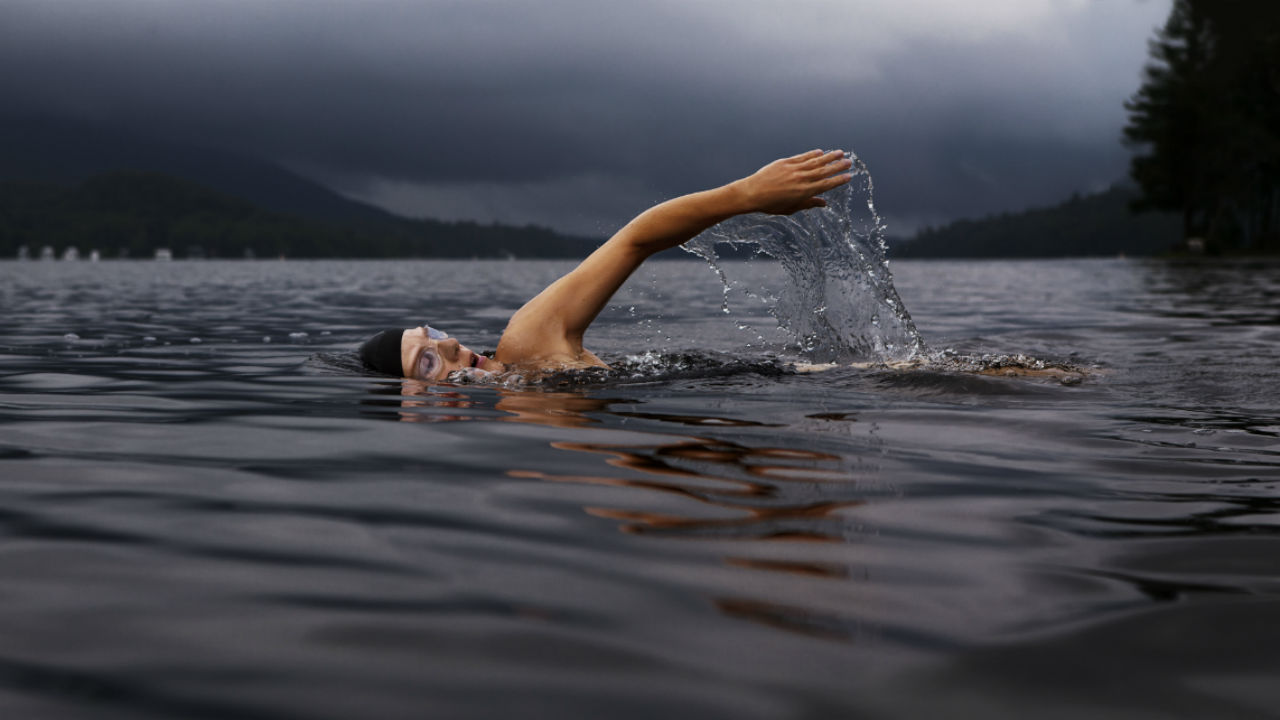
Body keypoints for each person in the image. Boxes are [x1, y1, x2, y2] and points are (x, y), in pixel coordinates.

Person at [358, 149, 854, 381]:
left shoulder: (527, 344)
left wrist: (745, 195)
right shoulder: (522, 435)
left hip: (826, 380)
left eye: (434, 333)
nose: (448, 343)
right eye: (427, 361)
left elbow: (634, 240)